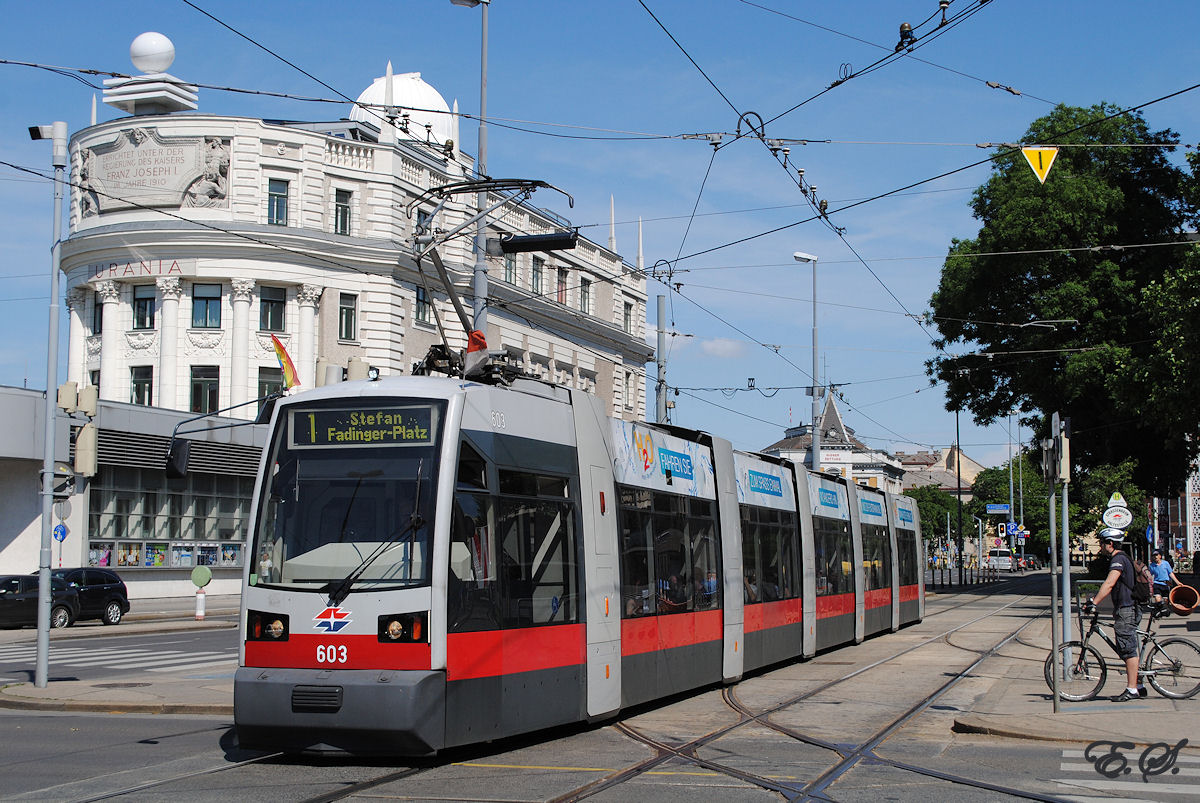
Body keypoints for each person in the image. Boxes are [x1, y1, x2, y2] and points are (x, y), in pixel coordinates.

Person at [1085, 529, 1145, 701]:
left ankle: (1132, 689)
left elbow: (1110, 583)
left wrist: (1094, 602)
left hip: (1127, 608)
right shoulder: (1123, 557)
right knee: (1128, 647)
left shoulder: (1118, 559)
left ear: (1110, 543)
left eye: (1103, 543)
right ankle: (1139, 685)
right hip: (1127, 608)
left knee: (1128, 649)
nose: (1101, 546)